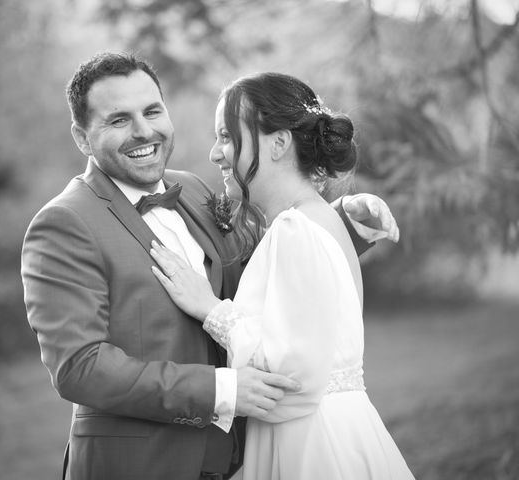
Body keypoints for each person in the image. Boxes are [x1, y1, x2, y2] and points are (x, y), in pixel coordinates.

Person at [21, 52, 399, 480]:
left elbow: (270, 268)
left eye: (152, 111)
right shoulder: (64, 223)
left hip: (235, 461)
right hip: (141, 466)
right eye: (118, 120)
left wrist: (337, 222)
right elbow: (79, 366)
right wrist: (222, 391)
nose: (144, 131)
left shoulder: (196, 192)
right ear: (82, 138)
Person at [150, 72, 414, 479]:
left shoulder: (296, 230)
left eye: (226, 136)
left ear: (278, 143)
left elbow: (288, 380)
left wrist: (208, 309)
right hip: (336, 430)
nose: (215, 154)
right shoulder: (317, 221)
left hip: (312, 446)